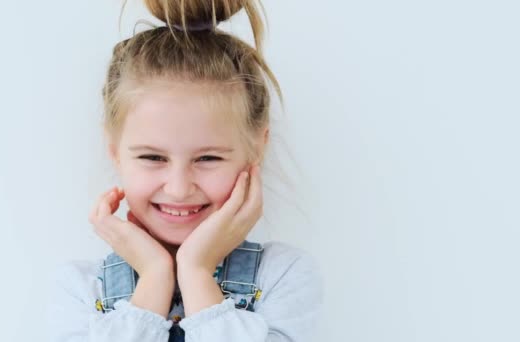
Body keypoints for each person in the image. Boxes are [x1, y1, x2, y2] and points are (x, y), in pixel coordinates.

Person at [48, 1, 322, 341]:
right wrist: (154, 277)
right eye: (152, 158)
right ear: (115, 152)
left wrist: (196, 272)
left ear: (257, 147)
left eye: (208, 159)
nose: (178, 188)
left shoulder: (283, 276)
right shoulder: (80, 291)